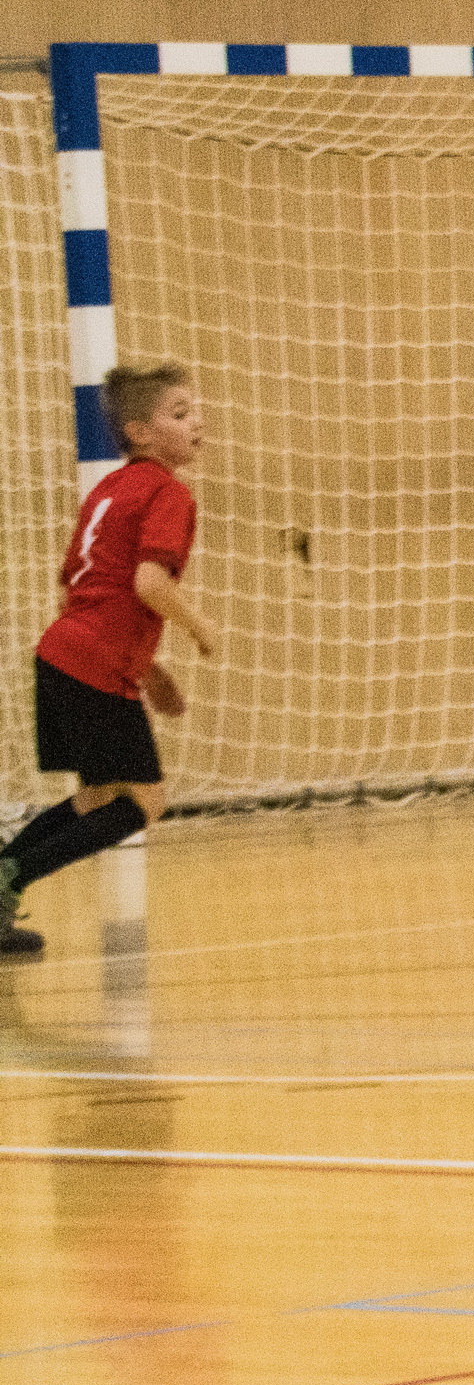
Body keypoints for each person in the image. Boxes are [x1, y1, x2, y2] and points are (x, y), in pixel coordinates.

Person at [0, 360, 220, 955]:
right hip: (94, 665)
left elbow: (78, 588)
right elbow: (149, 583)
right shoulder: (167, 492)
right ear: (139, 432)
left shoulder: (107, 490)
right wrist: (199, 627)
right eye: (180, 413)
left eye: (194, 411)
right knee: (142, 802)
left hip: (61, 652)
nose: (197, 422)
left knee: (97, 798)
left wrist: (151, 670)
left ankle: (4, 880)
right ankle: (9, 879)